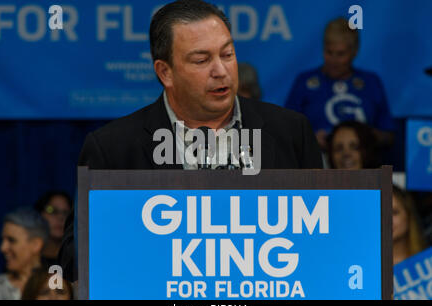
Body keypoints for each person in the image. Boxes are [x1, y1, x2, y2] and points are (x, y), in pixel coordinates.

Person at [61, 0, 323, 284]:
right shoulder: (113, 148)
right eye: (201, 60)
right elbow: (75, 259)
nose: (221, 70)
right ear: (165, 73)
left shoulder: (290, 131)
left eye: (228, 54)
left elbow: (323, 237)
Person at [285, 17, 395, 151]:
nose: (333, 60)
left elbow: (389, 136)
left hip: (362, 166)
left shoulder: (370, 82)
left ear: (354, 52)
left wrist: (370, 137)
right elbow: (285, 131)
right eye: (329, 52)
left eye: (341, 54)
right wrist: (310, 139)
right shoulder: (304, 82)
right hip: (315, 164)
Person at [0, 207, 49, 300]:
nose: (3, 248)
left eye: (11, 240)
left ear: (36, 244)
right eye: (3, 240)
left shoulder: (55, 287)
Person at [34, 191, 72, 269]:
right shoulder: (27, 259)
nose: (60, 217)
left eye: (66, 212)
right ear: (39, 215)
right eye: (52, 210)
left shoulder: (79, 260)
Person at [392, 185, 428, 265]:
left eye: (394, 212)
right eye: (379, 213)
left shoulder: (428, 261)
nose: (386, 220)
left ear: (409, 215)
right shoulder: (362, 265)